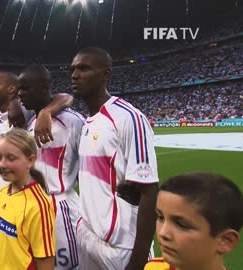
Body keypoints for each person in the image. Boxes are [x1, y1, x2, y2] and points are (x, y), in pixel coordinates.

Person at [72, 47, 159, 270]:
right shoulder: (87, 122)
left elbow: (149, 191)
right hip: (87, 235)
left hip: (121, 247)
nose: (74, 75)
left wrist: (137, 263)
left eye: (83, 68)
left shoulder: (128, 118)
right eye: (73, 69)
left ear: (106, 74)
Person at [18, 64, 84, 269]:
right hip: (33, 206)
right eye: (19, 88)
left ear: (45, 88)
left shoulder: (73, 122)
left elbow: (87, 172)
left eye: (26, 88)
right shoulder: (30, 123)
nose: (21, 94)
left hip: (60, 209)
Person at [144, 172, 243, 270]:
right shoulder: (154, 267)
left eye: (181, 225)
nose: (163, 233)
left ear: (225, 240)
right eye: (161, 217)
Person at [0, 128, 55, 270]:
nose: (2, 164)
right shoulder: (2, 193)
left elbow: (45, 262)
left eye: (11, 158)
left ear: (30, 160)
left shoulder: (39, 205)